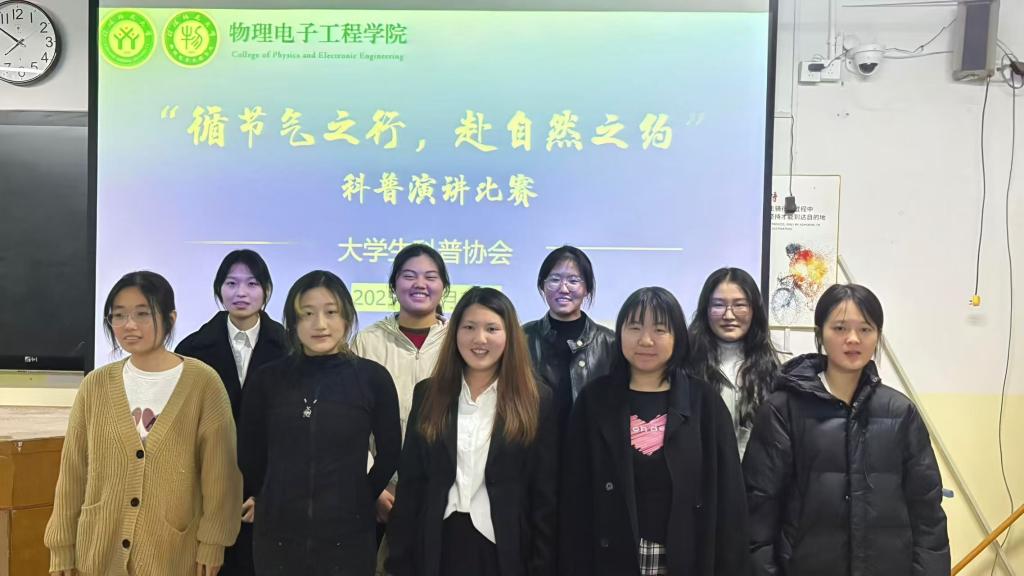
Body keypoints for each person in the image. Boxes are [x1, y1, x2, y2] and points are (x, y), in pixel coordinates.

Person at [744, 283, 950, 575]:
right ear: (820, 334)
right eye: (840, 328)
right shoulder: (783, 410)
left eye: (865, 329)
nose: (853, 339)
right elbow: (758, 512)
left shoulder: (900, 413)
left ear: (877, 336)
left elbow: (927, 514)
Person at [46, 271, 242, 576]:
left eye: (142, 314)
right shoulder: (95, 385)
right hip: (98, 550)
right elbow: (73, 473)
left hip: (171, 553)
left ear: (170, 318)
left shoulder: (203, 383)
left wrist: (213, 541)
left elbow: (221, 476)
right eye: (119, 315)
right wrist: (61, 547)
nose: (129, 325)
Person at [560, 287, 751, 576]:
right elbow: (573, 496)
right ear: (620, 333)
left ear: (678, 337)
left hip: (685, 557)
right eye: (635, 327)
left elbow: (729, 498)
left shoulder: (704, 402)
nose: (646, 340)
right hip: (608, 558)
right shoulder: (594, 400)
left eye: (660, 329)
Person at [239, 270, 401, 575]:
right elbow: (249, 450)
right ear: (293, 321)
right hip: (278, 533)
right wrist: (267, 494)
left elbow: (391, 450)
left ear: (347, 317)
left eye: (331, 312)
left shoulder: (372, 378)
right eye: (307, 314)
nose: (320, 324)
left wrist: (362, 496)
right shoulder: (267, 379)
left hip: (348, 534)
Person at [387, 287, 558, 576]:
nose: (479, 339)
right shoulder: (429, 393)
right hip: (437, 546)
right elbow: (411, 487)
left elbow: (544, 496)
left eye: (492, 329)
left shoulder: (536, 399)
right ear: (455, 332)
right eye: (469, 327)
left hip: (503, 548)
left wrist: (541, 565)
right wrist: (399, 562)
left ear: (509, 336)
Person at [176, 250, 287, 576]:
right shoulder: (192, 349)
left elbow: (296, 431)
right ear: (219, 289)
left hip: (268, 490)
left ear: (266, 290)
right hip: (208, 489)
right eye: (231, 283)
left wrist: (269, 493)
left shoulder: (289, 347)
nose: (241, 293)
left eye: (252, 284)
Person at [352, 244, 450, 533]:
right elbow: (351, 422)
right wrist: (373, 485)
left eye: (430, 277)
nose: (420, 284)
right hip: (381, 491)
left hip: (444, 491)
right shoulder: (367, 342)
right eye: (409, 276)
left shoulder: (458, 341)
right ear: (394, 285)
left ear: (444, 286)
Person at [687, 267, 780, 456]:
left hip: (756, 473)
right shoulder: (686, 364)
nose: (728, 315)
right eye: (718, 305)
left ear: (754, 310)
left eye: (739, 305)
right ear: (705, 310)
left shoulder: (774, 367)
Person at [522, 246, 615, 429]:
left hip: (590, 444)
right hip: (535, 442)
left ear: (587, 288)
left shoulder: (609, 342)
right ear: (542, 285)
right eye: (554, 280)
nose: (563, 288)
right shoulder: (523, 338)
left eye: (573, 281)